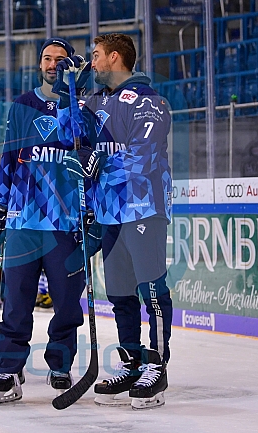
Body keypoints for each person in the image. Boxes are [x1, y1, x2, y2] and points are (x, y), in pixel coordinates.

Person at [60, 33, 173, 409]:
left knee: (150, 288)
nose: (90, 63)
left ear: (114, 57)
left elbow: (145, 156)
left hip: (143, 208)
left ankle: (157, 366)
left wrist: (100, 160)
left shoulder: (149, 102)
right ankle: (131, 361)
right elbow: (69, 137)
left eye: (95, 56)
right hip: (109, 211)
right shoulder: (94, 101)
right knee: (120, 292)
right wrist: (68, 95)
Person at [0, 37, 87, 404]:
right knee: (16, 300)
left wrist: (72, 92)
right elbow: (9, 159)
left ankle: (60, 364)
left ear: (71, 65)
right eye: (47, 58)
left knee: (66, 301)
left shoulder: (81, 106)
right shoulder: (22, 105)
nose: (52, 64)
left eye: (60, 60)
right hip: (23, 220)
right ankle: (9, 368)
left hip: (64, 223)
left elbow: (81, 145)